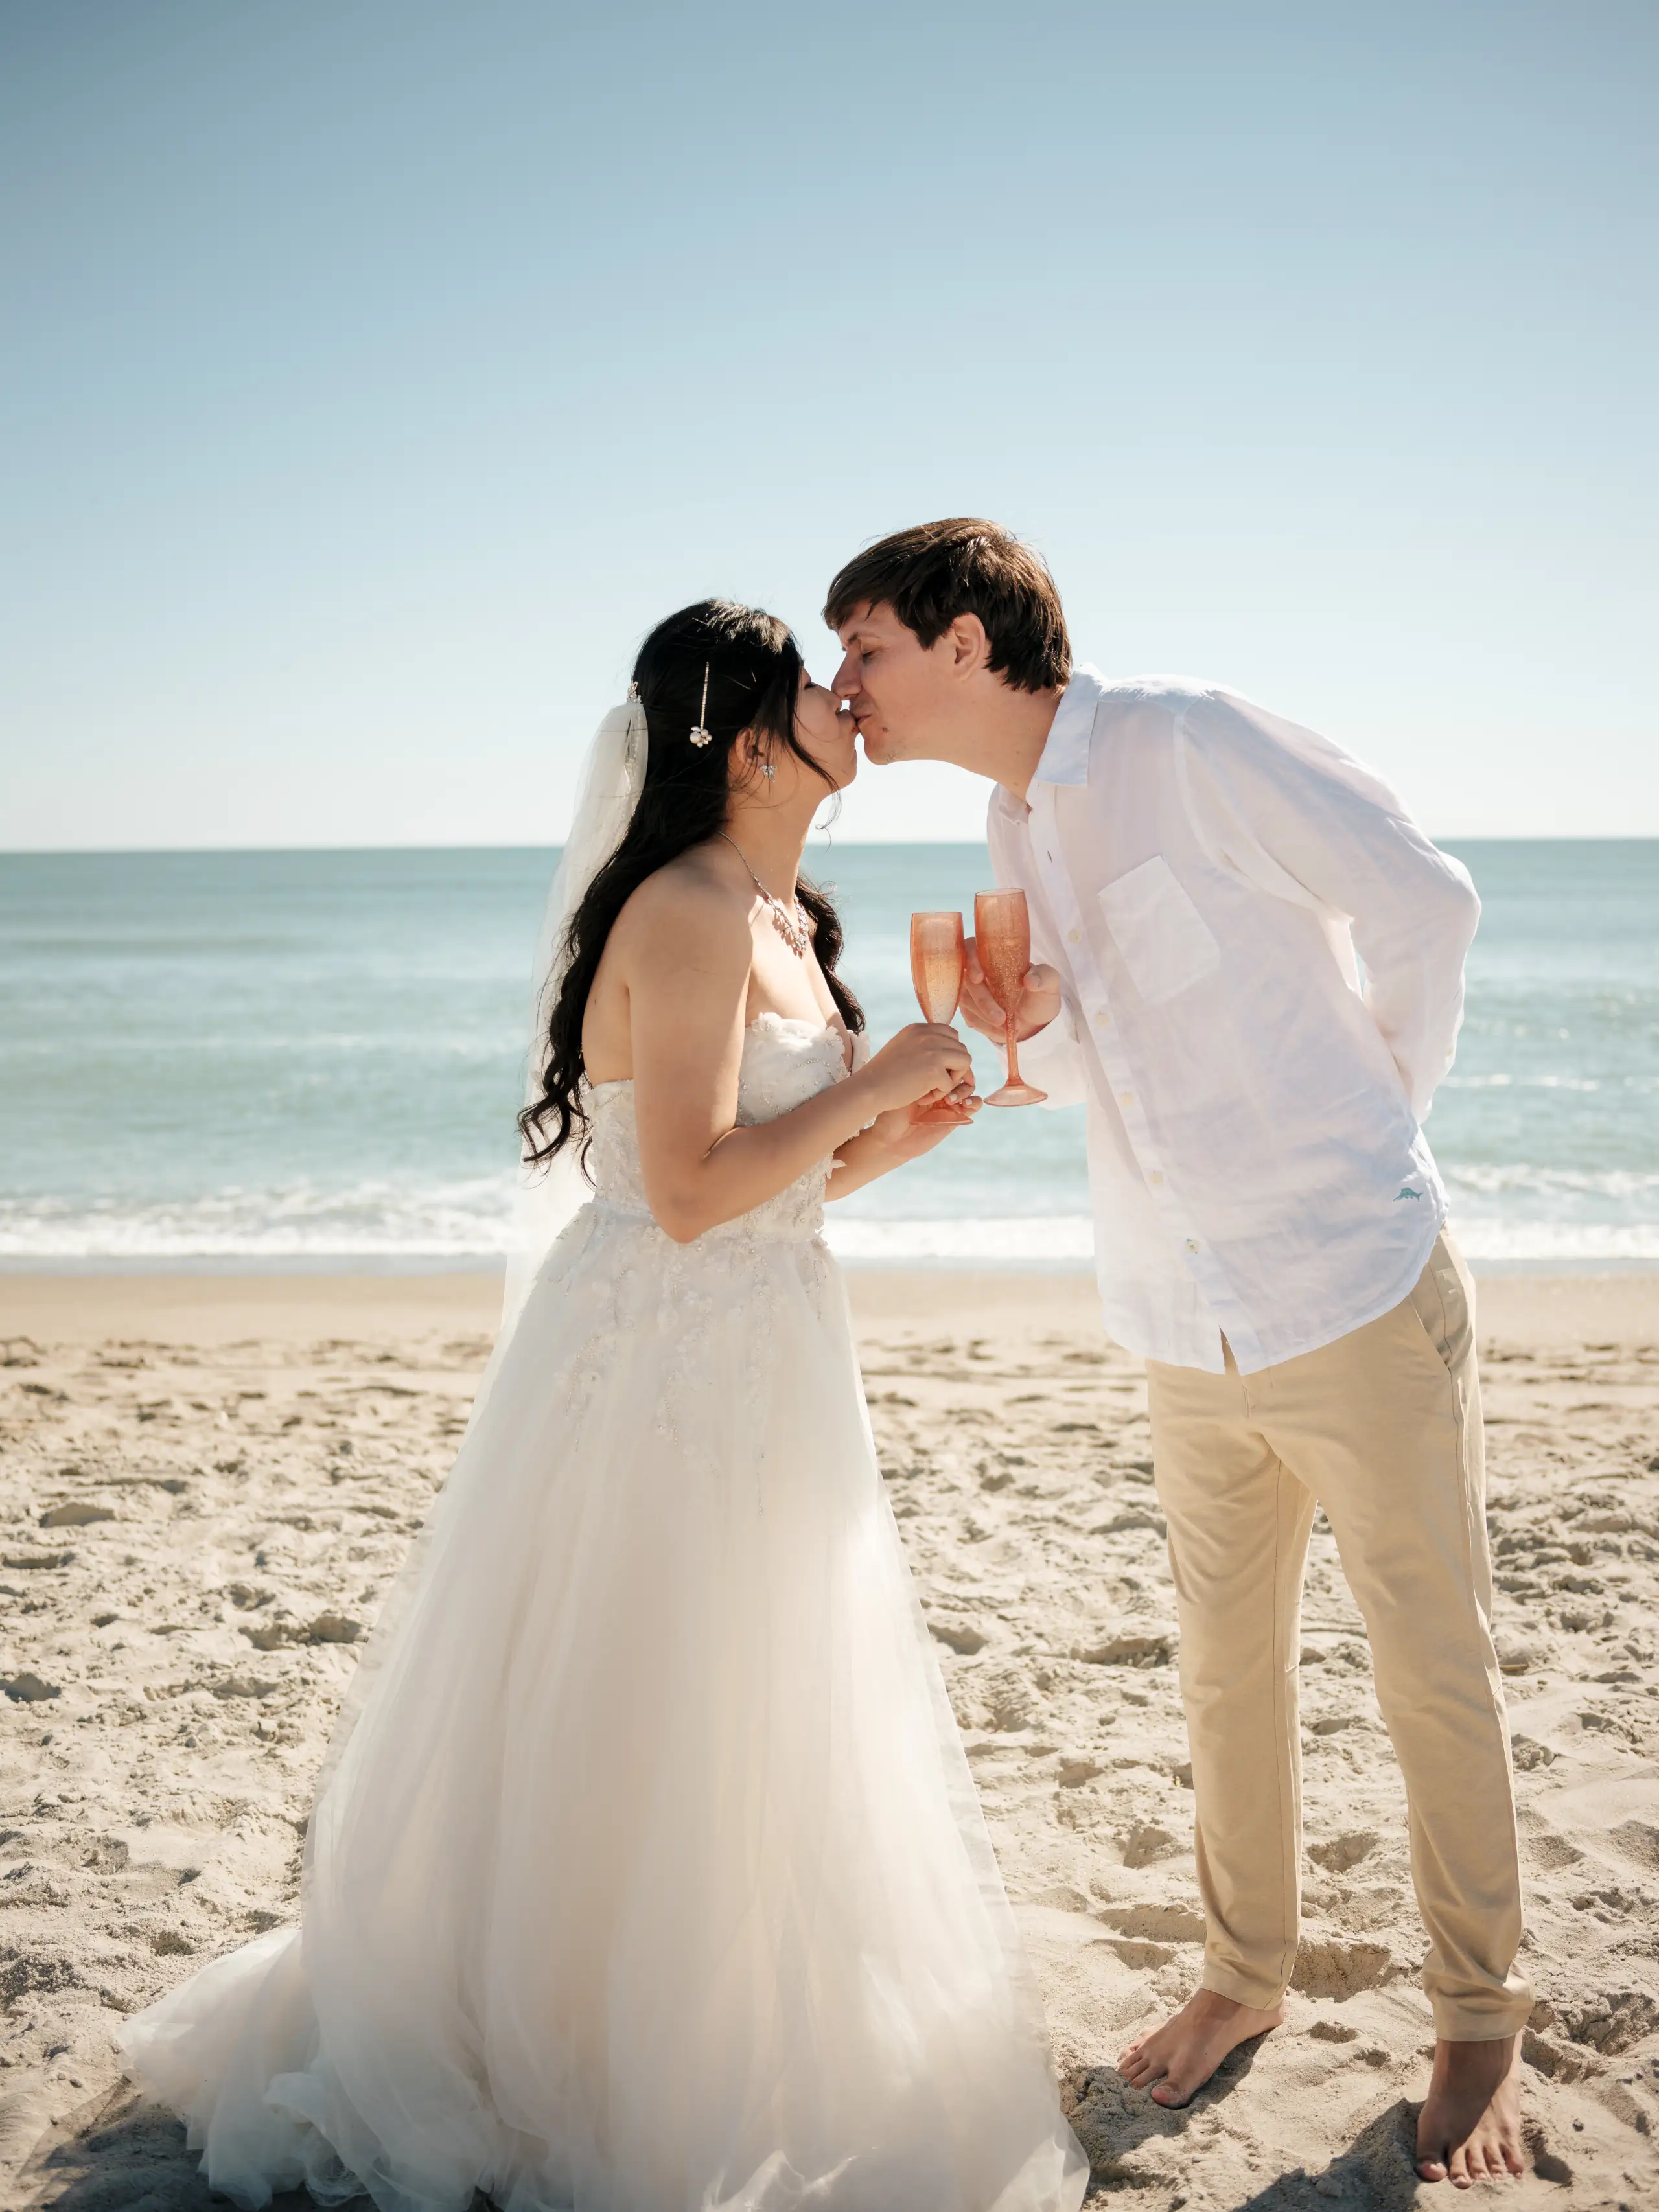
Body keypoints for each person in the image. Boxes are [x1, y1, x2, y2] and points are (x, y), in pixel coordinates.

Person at [118, 600, 1089, 2212]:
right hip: (659, 1357)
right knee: (660, 1688)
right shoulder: (692, 908)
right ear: (747, 738)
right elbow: (694, 1194)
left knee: (757, 1688)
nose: (849, 701)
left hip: (767, 1340)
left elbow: (801, 1182)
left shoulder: (781, 910)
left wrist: (931, 1102)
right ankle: (586, 2039)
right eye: (815, 688)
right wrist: (868, 1076)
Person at [826, 522, 1532, 2190]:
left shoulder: (1183, 739)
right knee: (1225, 1672)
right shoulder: (1009, 822)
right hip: (1176, 1310)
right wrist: (1031, 1036)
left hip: (1348, 1279)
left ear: (966, 644)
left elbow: (1427, 901)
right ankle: (1243, 1974)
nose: (845, 684)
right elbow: (1102, 1070)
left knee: (1430, 1659)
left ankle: (1477, 2013)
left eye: (864, 649)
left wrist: (1372, 1126)